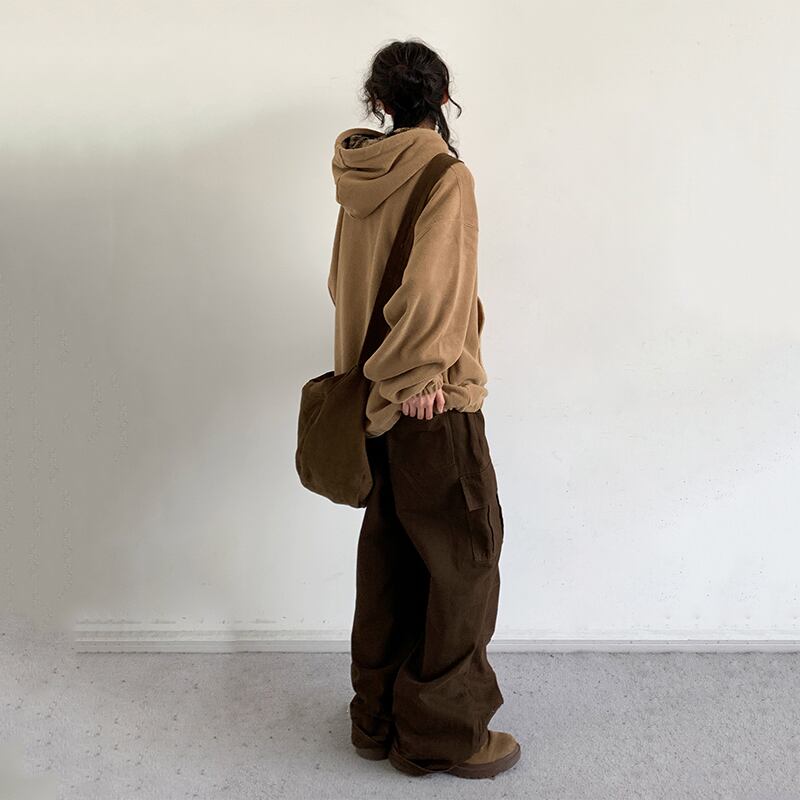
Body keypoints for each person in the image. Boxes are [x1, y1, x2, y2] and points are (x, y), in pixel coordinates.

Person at [327, 38, 521, 779]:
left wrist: (383, 383)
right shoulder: (445, 174)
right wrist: (416, 378)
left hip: (373, 398)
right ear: (442, 98)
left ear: (377, 102)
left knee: (392, 561)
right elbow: (432, 288)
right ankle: (442, 735)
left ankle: (376, 718)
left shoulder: (358, 175)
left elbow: (343, 286)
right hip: (428, 401)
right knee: (466, 559)